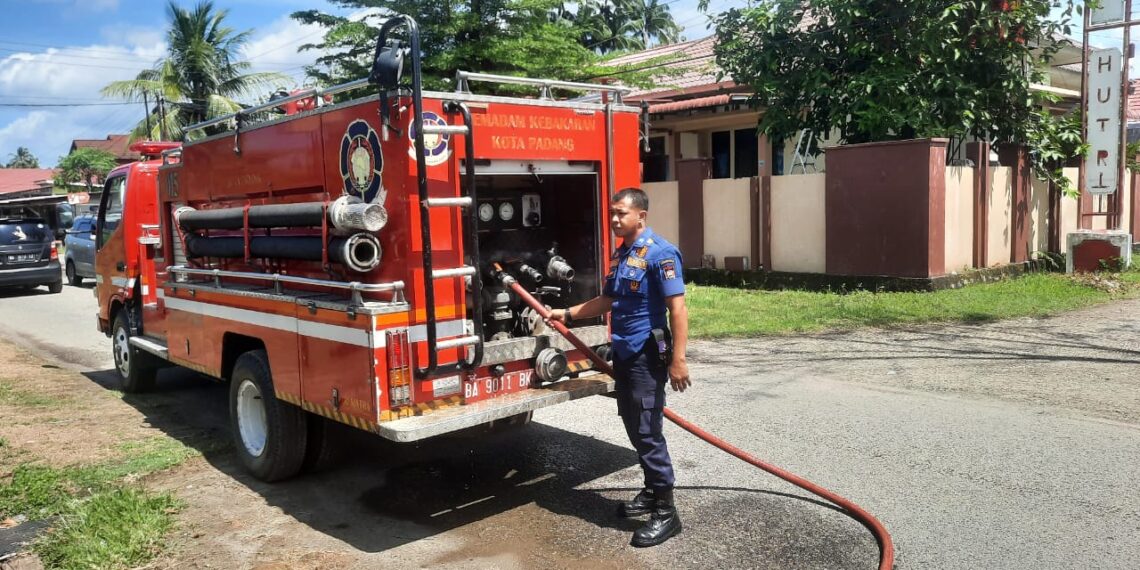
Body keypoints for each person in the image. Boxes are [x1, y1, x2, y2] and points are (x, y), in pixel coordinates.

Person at [550, 187, 690, 547]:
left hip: (648, 354)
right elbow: (608, 300)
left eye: (621, 213)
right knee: (631, 422)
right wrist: (567, 313)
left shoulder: (661, 253)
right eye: (611, 213)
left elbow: (677, 309)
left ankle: (666, 512)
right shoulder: (623, 253)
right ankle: (649, 490)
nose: (613, 219)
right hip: (625, 354)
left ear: (640, 216)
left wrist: (678, 360)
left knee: (646, 429)